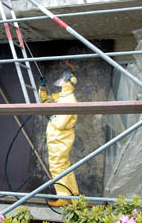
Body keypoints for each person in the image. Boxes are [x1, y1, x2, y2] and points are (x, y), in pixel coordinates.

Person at [39, 70, 79, 207]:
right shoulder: (63, 96)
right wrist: (42, 88)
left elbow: (60, 123)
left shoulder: (70, 100)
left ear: (67, 83)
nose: (61, 83)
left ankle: (63, 198)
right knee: (65, 166)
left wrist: (51, 117)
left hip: (60, 138)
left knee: (57, 166)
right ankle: (73, 196)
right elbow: (46, 100)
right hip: (58, 138)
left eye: (63, 80)